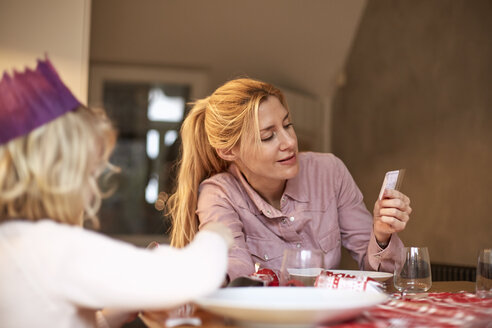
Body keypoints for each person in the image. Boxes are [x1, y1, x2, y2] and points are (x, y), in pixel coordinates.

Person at [0, 58, 232, 328]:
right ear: (56, 176)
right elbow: (189, 276)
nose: (93, 186)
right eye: (89, 173)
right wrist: (214, 236)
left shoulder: (12, 241)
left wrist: (105, 318)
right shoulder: (53, 247)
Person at [168, 78, 412, 281]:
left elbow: (381, 276)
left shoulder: (329, 171)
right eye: (268, 136)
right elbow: (236, 264)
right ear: (229, 151)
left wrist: (381, 235)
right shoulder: (219, 194)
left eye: (288, 125)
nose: (289, 142)